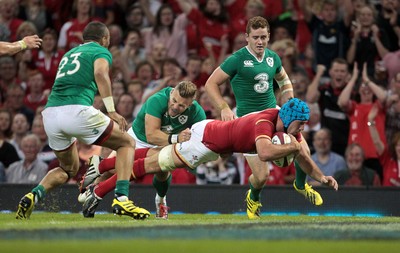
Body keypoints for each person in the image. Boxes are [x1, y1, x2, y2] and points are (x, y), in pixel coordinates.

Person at [79, 98, 339, 219]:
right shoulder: (265, 123)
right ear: (290, 120)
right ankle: (99, 187)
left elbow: (302, 152)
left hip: (212, 135)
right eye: (301, 125)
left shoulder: (284, 123)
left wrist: (321, 177)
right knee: (152, 164)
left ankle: (99, 168)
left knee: (152, 159)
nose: (303, 130)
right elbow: (266, 153)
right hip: (205, 143)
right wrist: (292, 148)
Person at [15, 21, 150, 220]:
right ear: (105, 39)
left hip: (51, 114)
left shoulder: (68, 54)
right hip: (77, 109)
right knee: (126, 142)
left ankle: (34, 194)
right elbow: (100, 73)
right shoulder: (100, 51)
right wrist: (111, 110)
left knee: (68, 168)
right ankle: (122, 200)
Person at [204, 16, 321, 220]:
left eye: (264, 37)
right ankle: (254, 196)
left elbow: (283, 79)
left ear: (269, 37)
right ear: (247, 37)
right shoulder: (236, 59)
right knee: (261, 176)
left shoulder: (272, 58)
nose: (260, 42)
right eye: (256, 37)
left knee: (304, 149)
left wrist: (289, 98)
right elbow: (210, 84)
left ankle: (301, 184)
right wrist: (223, 106)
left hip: (273, 115)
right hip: (248, 121)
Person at [79, 80, 206, 219]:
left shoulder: (197, 112)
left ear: (190, 104)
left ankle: (161, 200)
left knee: (162, 171)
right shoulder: (157, 100)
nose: (175, 106)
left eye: (181, 105)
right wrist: (177, 138)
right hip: (138, 138)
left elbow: (200, 138)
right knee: (110, 170)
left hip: (166, 143)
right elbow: (151, 135)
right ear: (172, 92)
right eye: (174, 100)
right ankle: (92, 194)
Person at [368, 103, 400, 186]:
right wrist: (370, 121)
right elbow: (377, 142)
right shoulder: (388, 161)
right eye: (398, 145)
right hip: (387, 198)